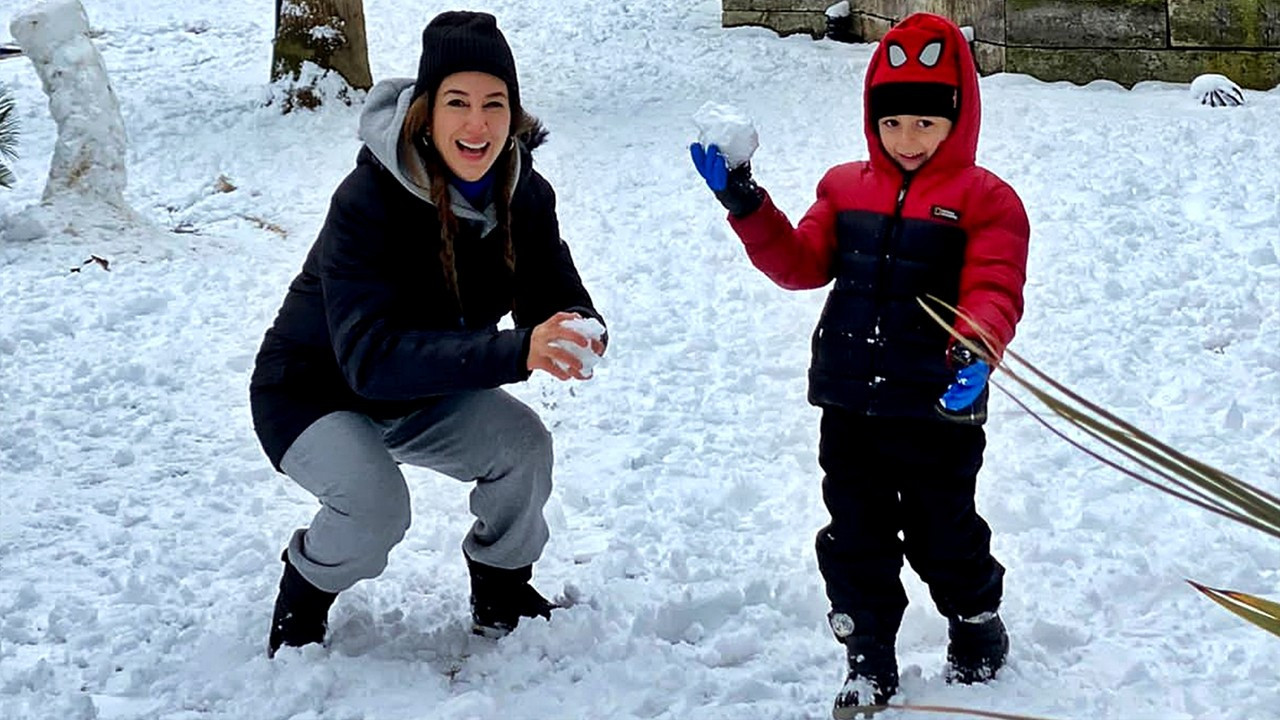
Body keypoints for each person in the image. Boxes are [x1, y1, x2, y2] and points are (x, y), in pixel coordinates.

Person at [690, 12, 1029, 715]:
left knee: (944, 533)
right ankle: (868, 653)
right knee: (855, 536)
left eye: (927, 124)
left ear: (958, 121)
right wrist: (745, 201)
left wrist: (976, 345)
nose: (908, 139)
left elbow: (995, 285)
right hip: (849, 402)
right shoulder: (845, 189)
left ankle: (974, 622)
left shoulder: (986, 201)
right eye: (894, 122)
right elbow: (800, 263)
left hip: (939, 405)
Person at [250, 10, 606, 658]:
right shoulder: (366, 202)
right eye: (458, 102)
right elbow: (370, 361)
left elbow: (551, 287)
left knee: (524, 451)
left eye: (495, 103)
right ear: (425, 111)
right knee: (378, 508)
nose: (478, 124)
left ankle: (501, 591)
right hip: (313, 393)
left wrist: (578, 327)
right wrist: (515, 351)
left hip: (422, 394)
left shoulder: (523, 193)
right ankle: (302, 597)